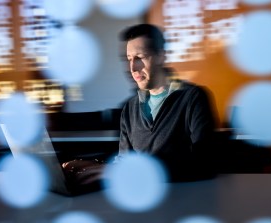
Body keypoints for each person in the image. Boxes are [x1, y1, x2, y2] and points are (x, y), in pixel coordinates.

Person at [62, 23, 220, 185]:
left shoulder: (193, 98)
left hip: (181, 201)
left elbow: (204, 163)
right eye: (129, 59)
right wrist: (91, 166)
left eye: (140, 58)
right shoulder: (130, 108)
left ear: (160, 56)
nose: (132, 67)